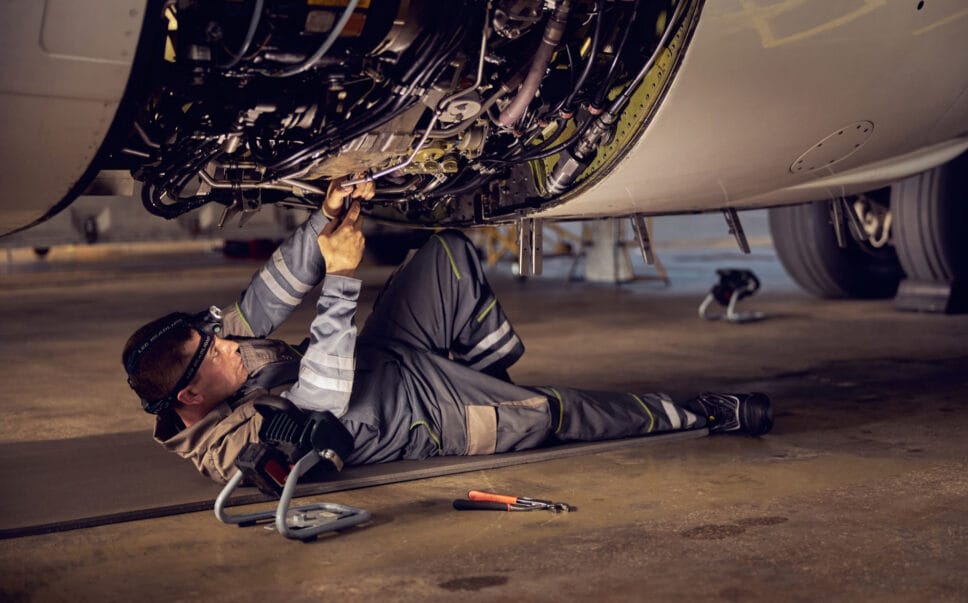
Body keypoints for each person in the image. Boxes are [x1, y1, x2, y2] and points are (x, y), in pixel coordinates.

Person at [123, 177, 774, 483]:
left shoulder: (210, 365)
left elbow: (265, 298)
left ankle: (488, 378)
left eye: (219, 336)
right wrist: (344, 279)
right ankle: (703, 414)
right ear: (189, 395)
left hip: (388, 357)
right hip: (424, 414)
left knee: (450, 255)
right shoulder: (236, 441)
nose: (230, 342)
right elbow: (321, 399)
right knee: (564, 411)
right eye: (214, 349)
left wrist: (322, 228)